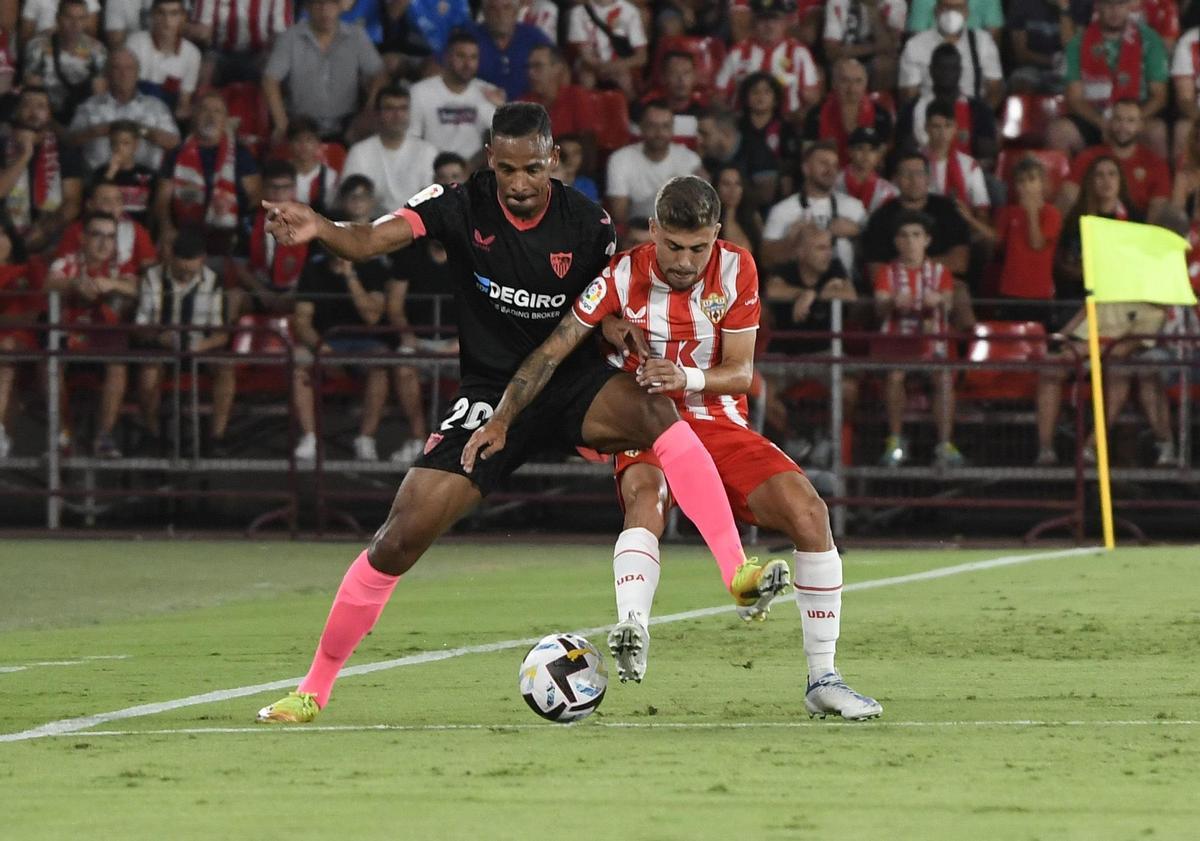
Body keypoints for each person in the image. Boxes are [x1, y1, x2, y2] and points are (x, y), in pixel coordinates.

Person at [255, 104, 783, 723]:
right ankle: (313, 689)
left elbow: (595, 313)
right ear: (490, 161)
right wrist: (319, 225)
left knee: (657, 416)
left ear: (552, 160)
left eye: (532, 168)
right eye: (506, 169)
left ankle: (736, 571)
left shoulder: (589, 223)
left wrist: (619, 333)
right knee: (399, 537)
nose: (520, 183)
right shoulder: (457, 205)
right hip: (489, 393)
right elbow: (370, 239)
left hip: (573, 382)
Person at [509, 175, 879, 719]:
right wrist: (504, 416)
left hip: (717, 421)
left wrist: (683, 376)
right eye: (674, 247)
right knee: (645, 496)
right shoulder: (620, 274)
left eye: (699, 247)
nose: (685, 261)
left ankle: (823, 678)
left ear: (717, 235)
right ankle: (632, 626)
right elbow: (558, 343)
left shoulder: (738, 268)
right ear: (653, 230)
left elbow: (741, 373)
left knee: (810, 511)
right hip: (645, 423)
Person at [44, 210, 139, 458]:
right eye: (97, 235)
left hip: (104, 344)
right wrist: (73, 284)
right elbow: (48, 283)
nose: (103, 243)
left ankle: (104, 438)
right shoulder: (68, 261)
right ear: (83, 238)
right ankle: (64, 438)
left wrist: (113, 285)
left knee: (118, 364)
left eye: (110, 236)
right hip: (70, 341)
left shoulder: (120, 264)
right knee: (48, 363)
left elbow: (136, 288)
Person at [873, 209, 963, 468]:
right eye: (904, 236)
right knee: (895, 376)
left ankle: (945, 444)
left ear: (927, 240)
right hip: (897, 346)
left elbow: (949, 302)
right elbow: (879, 306)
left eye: (916, 235)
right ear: (896, 242)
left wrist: (940, 302)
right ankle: (895, 440)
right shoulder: (887, 273)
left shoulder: (940, 272)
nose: (910, 241)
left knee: (943, 377)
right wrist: (891, 302)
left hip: (932, 345)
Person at [133, 228, 235, 455]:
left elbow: (221, 333)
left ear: (202, 259)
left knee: (226, 369)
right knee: (149, 370)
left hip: (200, 348)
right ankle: (152, 434)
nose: (186, 275)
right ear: (171, 258)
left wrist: (201, 347)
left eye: (192, 270)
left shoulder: (213, 281)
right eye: (181, 270)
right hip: (162, 348)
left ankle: (217, 437)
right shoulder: (152, 278)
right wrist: (159, 336)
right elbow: (140, 327)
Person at [290, 242, 391, 462]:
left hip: (365, 343)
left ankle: (366, 438)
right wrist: (320, 346)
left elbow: (372, 317)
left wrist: (350, 276)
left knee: (380, 366)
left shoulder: (373, 267)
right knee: (299, 364)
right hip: (325, 342)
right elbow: (302, 320)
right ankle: (310, 438)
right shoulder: (313, 269)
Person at [863, 150, 974, 329]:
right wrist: (904, 275)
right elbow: (875, 270)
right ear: (895, 179)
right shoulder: (880, 217)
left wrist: (918, 269)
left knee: (959, 294)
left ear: (928, 178)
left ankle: (966, 351)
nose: (913, 180)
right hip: (892, 281)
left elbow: (960, 262)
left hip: (942, 279)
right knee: (867, 303)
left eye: (919, 174)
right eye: (906, 174)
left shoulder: (947, 210)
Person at [154, 91, 262, 259]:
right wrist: (166, 227)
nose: (210, 116)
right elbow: (162, 197)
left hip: (228, 235)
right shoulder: (176, 154)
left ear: (226, 119)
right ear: (194, 116)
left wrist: (243, 232)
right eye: (204, 110)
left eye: (217, 111)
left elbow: (255, 196)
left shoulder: (241, 154)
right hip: (184, 235)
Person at [1053, 0, 1169, 155]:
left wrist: (1128, 121)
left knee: (1156, 132)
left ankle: (1157, 179)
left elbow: (1159, 95)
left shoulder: (1150, 40)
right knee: (1059, 132)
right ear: (1097, 6)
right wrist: (1103, 123)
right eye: (1108, 4)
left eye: (1120, 4)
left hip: (1137, 115)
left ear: (1129, 6)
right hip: (1094, 117)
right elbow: (1075, 98)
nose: (1115, 10)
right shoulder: (1077, 43)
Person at [263, 0, 386, 142]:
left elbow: (380, 74)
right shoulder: (289, 38)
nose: (325, 11)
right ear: (307, 7)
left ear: (340, 7)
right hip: (302, 122)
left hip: (348, 122)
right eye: (318, 4)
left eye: (331, 4)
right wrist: (281, 123)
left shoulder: (357, 36)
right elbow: (270, 80)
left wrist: (368, 111)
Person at [761, 140, 867, 280]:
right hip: (797, 291)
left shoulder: (854, 208)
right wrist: (792, 241)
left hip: (845, 290)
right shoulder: (783, 210)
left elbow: (875, 254)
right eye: (823, 164)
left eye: (834, 165)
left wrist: (858, 233)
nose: (830, 170)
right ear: (806, 168)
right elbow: (765, 260)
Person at [66, 47, 180, 172]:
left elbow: (173, 142)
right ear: (107, 74)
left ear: (137, 73)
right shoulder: (90, 106)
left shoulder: (156, 106)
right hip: (97, 181)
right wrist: (96, 131)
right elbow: (69, 141)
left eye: (129, 68)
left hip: (145, 181)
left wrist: (139, 130)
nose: (123, 74)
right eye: (116, 68)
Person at [0, 86, 85, 253]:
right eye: (27, 105)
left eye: (40, 106)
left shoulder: (65, 149)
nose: (33, 112)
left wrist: (45, 231)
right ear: (16, 112)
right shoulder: (1, 146)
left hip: (50, 233)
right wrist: (25, 155)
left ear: (49, 114)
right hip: (5, 231)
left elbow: (72, 202)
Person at [980, 156, 1063, 324]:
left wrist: (1031, 212)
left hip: (1039, 293)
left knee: (1038, 343)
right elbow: (997, 238)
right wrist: (971, 220)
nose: (1026, 186)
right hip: (1010, 289)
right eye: (1021, 181)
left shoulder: (1051, 213)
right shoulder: (1007, 212)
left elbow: (1036, 244)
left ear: (1042, 183)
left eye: (1032, 179)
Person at [1057, 99, 1170, 220]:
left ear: (1140, 126)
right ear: (1109, 123)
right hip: (1094, 226)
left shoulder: (1156, 164)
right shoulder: (1088, 157)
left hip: (1136, 229)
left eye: (1130, 121)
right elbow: (1068, 195)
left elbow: (1158, 208)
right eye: (1118, 119)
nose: (1123, 126)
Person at [341, 83, 438, 216]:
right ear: (377, 114)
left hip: (416, 226)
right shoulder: (359, 152)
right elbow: (350, 200)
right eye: (389, 108)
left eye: (403, 108)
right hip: (371, 227)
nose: (397, 115)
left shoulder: (427, 152)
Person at [408, 31, 502, 165]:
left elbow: (502, 141)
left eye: (473, 57)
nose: (467, 63)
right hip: (432, 170)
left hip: (474, 171)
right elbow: (412, 140)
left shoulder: (489, 93)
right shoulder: (420, 92)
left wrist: (502, 108)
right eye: (461, 56)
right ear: (447, 57)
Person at [894, 42, 998, 163]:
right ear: (931, 70)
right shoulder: (912, 108)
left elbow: (989, 150)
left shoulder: (979, 108)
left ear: (960, 71)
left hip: (966, 171)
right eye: (941, 67)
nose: (946, 73)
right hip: (924, 173)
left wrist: (966, 138)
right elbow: (902, 146)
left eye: (952, 68)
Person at [716, 0, 821, 119]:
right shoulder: (737, 53)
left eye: (775, 19)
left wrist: (794, 121)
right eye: (763, 20)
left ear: (785, 22)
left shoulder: (799, 53)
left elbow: (812, 99)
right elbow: (719, 96)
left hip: (785, 127)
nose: (769, 25)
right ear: (753, 22)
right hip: (743, 127)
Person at [230, 160, 308, 319]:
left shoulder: (310, 219)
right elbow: (239, 263)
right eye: (273, 187)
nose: (279, 193)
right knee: (234, 296)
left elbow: (315, 264)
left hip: (297, 290)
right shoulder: (249, 221)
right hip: (261, 286)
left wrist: (295, 292)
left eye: (285, 188)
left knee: (309, 303)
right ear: (264, 188)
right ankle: (228, 340)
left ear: (293, 189)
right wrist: (261, 290)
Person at [605, 100, 702, 228]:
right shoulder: (620, 159)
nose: (659, 133)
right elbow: (620, 215)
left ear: (672, 129)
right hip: (636, 232)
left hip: (677, 230)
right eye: (652, 126)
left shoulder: (690, 159)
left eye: (665, 126)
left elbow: (695, 212)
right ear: (641, 127)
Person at [1054, 154, 1135, 301]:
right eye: (1100, 175)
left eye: (1112, 174)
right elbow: (1063, 263)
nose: (1106, 181)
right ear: (1090, 181)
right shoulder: (1076, 220)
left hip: (1122, 296)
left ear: (1120, 181)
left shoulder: (1134, 219)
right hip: (1081, 297)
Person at [898, 0, 1004, 110]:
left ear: (966, 12)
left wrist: (980, 117)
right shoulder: (915, 45)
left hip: (971, 114)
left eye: (958, 8)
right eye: (946, 7)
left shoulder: (983, 42)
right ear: (936, 11)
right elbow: (908, 95)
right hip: (929, 118)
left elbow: (995, 89)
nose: (951, 13)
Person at [21, 0, 108, 125]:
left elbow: (99, 98)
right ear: (58, 19)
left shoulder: (98, 51)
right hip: (44, 117)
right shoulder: (38, 47)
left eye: (81, 18)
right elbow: (32, 94)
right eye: (69, 17)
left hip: (83, 119)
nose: (75, 24)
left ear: (87, 21)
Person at [805, 58, 894, 165]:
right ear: (834, 83)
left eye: (858, 81)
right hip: (828, 177)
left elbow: (880, 160)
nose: (851, 88)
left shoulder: (881, 115)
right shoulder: (815, 115)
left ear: (866, 84)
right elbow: (808, 158)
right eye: (845, 80)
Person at [125, 0, 201, 121]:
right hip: (131, 112)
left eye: (174, 13)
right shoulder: (135, 42)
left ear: (183, 18)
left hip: (166, 117)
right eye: (161, 13)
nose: (167, 21)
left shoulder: (192, 54)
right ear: (152, 16)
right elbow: (124, 89)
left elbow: (183, 101)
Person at [0, 219, 36, 459]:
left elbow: (29, 316)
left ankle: (1, 437)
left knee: (7, 355)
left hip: (15, 343)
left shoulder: (24, 272)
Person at [467, 0, 551, 102]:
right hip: (480, 108)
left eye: (507, 8)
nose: (500, 14)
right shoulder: (468, 38)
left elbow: (559, 69)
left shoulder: (534, 37)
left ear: (516, 11)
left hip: (527, 109)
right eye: (493, 8)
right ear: (484, 12)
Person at [922, 97, 989, 220]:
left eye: (948, 126)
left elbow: (982, 212)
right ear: (926, 128)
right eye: (936, 126)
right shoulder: (913, 162)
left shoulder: (969, 165)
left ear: (955, 128)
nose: (942, 133)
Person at [566, 0, 649, 98]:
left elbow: (642, 57)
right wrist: (602, 67)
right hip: (591, 64)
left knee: (625, 80)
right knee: (586, 78)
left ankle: (632, 110)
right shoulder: (578, 12)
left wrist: (617, 66)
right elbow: (585, 54)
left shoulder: (630, 12)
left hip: (620, 63)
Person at [823, 0, 905, 91]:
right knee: (842, 66)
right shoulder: (838, 2)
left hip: (872, 59)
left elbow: (890, 47)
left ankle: (876, 101)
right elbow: (831, 51)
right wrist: (875, 47)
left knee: (886, 64)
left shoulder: (895, 3)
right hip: (847, 57)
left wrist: (872, 10)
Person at [518, 44, 596, 141]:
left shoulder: (576, 96)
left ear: (557, 68)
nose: (530, 73)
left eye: (538, 66)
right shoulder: (524, 104)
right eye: (528, 67)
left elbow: (587, 140)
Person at [91, 120, 158, 227]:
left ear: (135, 145)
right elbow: (95, 203)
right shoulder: (100, 173)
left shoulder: (148, 174)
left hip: (139, 230)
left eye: (125, 143)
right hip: (108, 228)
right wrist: (111, 172)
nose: (119, 148)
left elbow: (153, 209)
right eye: (114, 143)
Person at [836, 126, 899, 213]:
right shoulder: (833, 183)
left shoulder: (890, 193)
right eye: (860, 148)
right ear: (850, 151)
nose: (866, 154)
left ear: (879, 155)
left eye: (872, 149)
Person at [286, 117, 340, 216]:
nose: (303, 146)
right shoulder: (281, 173)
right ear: (290, 144)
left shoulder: (330, 176)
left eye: (308, 140)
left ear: (318, 143)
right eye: (298, 140)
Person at [713, 163, 764, 254]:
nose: (732, 190)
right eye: (726, 184)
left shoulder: (753, 217)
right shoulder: (709, 222)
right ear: (717, 187)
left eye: (738, 184)